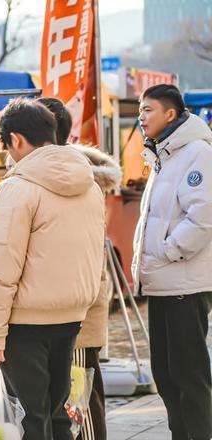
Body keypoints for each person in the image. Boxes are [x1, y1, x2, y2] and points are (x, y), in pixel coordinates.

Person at [0, 98, 105, 440]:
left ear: (16, 139)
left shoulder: (17, 188)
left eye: (6, 145)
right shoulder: (89, 185)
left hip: (25, 323)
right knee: (57, 414)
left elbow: (1, 265)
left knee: (29, 418)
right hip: (71, 317)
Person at [133, 84, 212, 440]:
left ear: (169, 114)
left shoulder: (197, 152)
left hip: (184, 282)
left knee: (189, 375)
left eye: (148, 109)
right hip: (162, 283)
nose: (141, 116)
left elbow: (203, 216)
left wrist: (169, 251)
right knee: (165, 375)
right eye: (140, 109)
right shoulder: (163, 155)